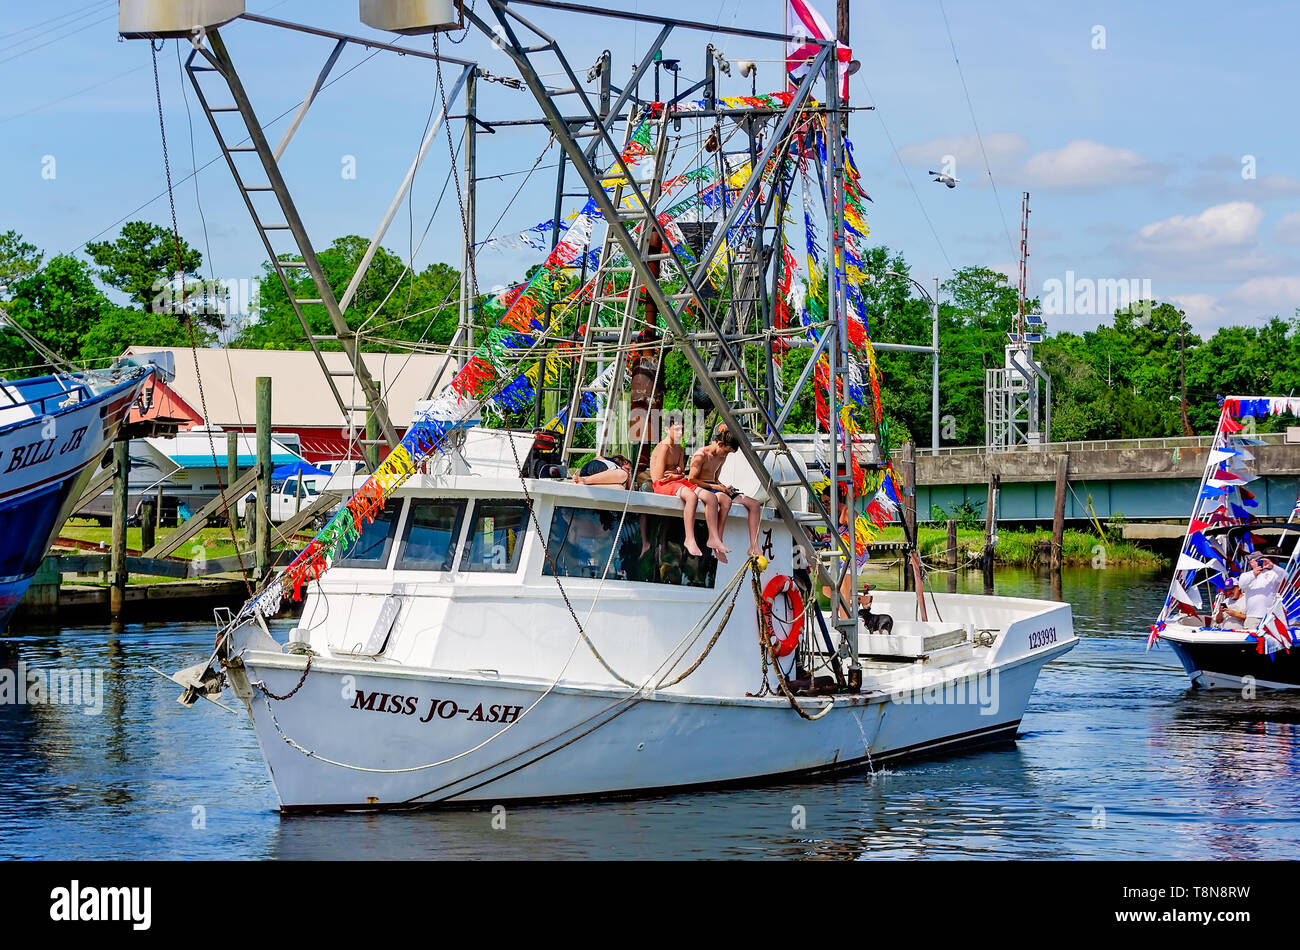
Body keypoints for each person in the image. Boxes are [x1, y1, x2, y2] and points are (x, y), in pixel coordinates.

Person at [649, 419, 724, 561]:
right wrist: (675, 474)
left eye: (682, 430)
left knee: (710, 498)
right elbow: (659, 478)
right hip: (663, 485)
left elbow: (682, 473)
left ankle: (714, 537)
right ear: (667, 429)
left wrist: (674, 474)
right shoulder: (664, 447)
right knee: (692, 497)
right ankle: (689, 538)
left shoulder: (679, 448)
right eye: (676, 429)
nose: (680, 433)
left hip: (677, 481)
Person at [688, 427, 764, 558]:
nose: (725, 455)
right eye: (726, 451)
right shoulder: (700, 455)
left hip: (715, 486)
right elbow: (692, 479)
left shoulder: (722, 456)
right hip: (704, 486)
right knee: (725, 500)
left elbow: (716, 479)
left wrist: (724, 487)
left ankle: (754, 546)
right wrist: (718, 488)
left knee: (754, 505)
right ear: (719, 443)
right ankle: (718, 540)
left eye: (729, 453)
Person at [1239, 554, 1288, 627]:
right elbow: (1241, 584)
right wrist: (1254, 574)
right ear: (1251, 562)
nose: (1260, 562)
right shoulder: (1246, 575)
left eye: (1262, 560)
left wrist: (1273, 566)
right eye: (1258, 561)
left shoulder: (1273, 574)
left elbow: (1286, 577)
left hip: (1269, 617)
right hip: (1252, 617)